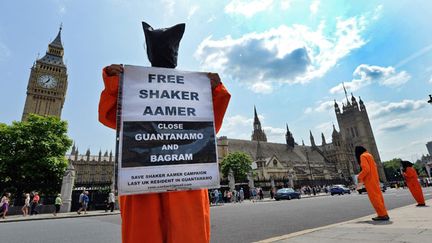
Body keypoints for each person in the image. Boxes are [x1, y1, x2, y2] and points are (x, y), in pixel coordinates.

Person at [98, 22, 230, 243]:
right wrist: (114, 82)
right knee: (144, 234)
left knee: (188, 233)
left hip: (185, 180)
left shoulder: (193, 88)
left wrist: (215, 90)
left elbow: (209, 128)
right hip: (142, 181)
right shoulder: (134, 86)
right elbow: (109, 117)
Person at [355, 146, 389, 221]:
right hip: (375, 179)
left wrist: (359, 176)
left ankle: (382, 215)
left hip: (369, 181)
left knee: (374, 198)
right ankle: (384, 213)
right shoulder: (369, 155)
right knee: (379, 197)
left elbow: (366, 169)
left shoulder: (362, 156)